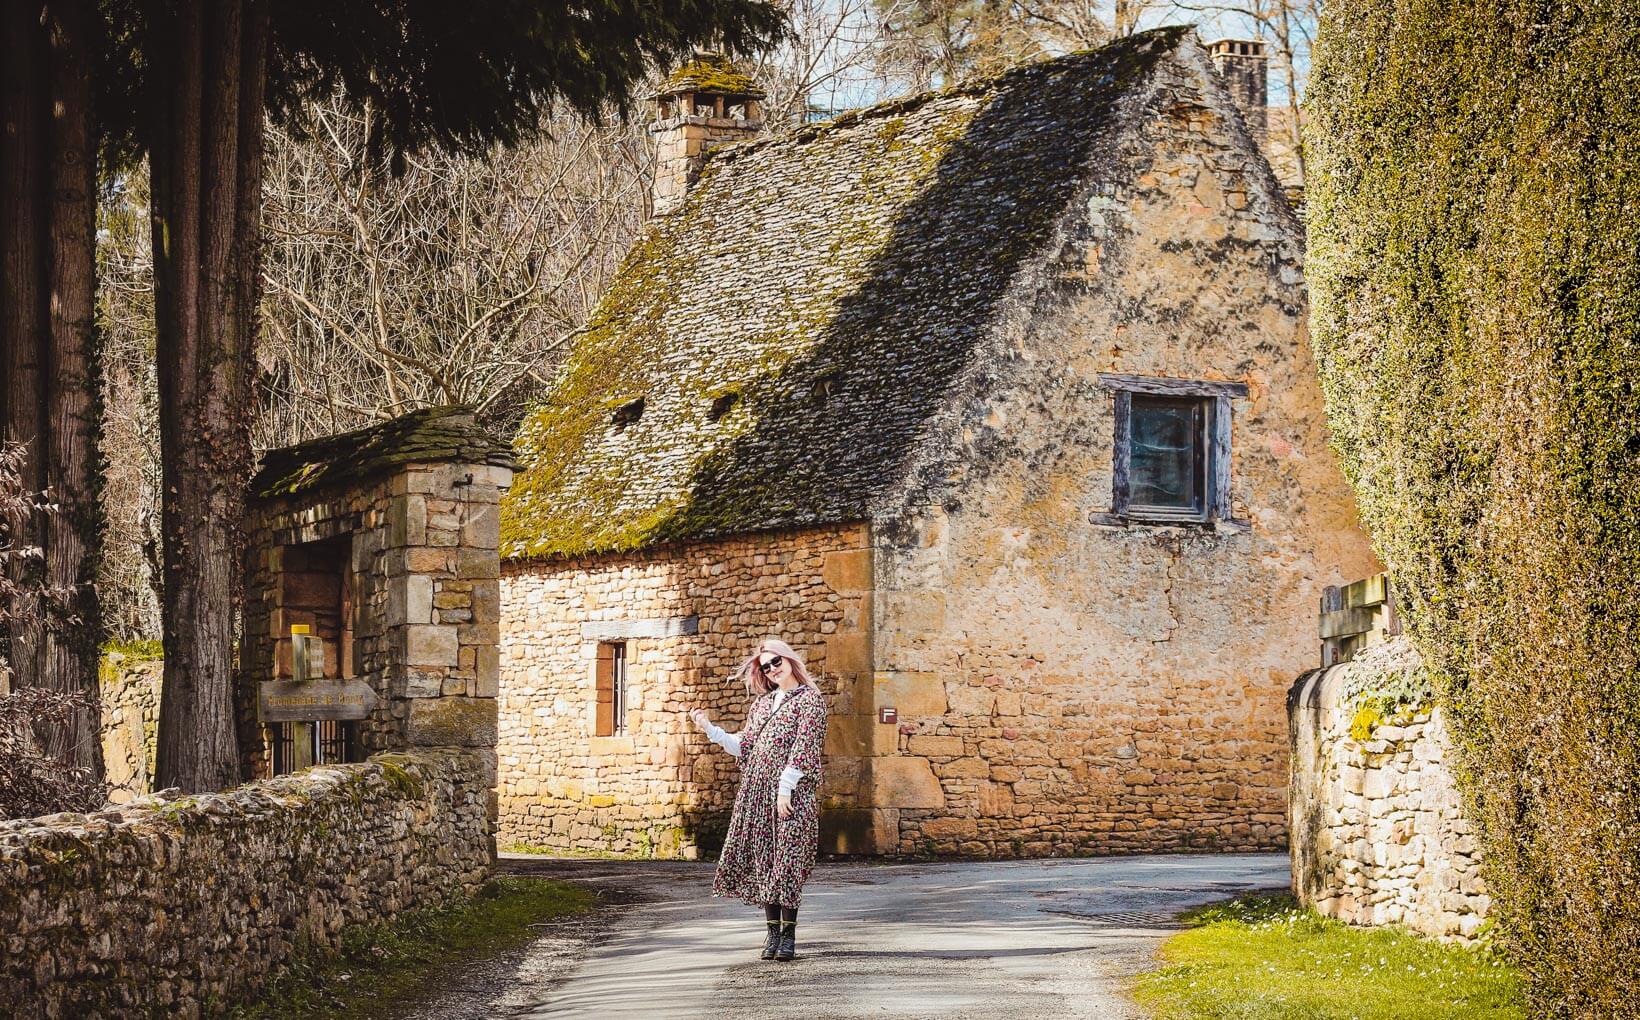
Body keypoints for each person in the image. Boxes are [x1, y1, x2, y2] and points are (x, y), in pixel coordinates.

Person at [690, 638, 827, 962]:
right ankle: (772, 934)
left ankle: (789, 936)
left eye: (776, 662)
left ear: (790, 660)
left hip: (791, 794)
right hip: (757, 791)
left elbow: (805, 747)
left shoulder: (810, 701)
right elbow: (744, 745)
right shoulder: (762, 705)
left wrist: (785, 788)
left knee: (789, 860)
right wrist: (710, 728)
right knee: (765, 861)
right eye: (766, 667)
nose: (772, 669)